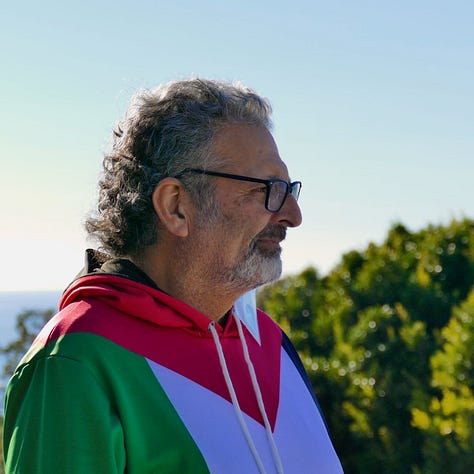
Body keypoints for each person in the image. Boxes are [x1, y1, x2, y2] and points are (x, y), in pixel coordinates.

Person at [3, 78, 343, 473]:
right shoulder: (76, 361)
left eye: (288, 190)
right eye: (267, 188)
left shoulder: (271, 343)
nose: (292, 215)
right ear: (176, 206)